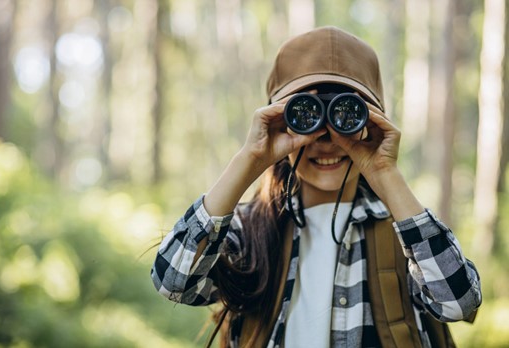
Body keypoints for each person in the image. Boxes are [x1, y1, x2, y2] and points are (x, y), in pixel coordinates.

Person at [151, 26, 481, 347]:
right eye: (305, 114)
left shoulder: (405, 231)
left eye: (347, 115)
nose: (326, 139)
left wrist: (385, 172)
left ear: (373, 123)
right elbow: (173, 282)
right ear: (277, 119)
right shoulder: (248, 229)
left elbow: (458, 302)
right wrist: (250, 159)